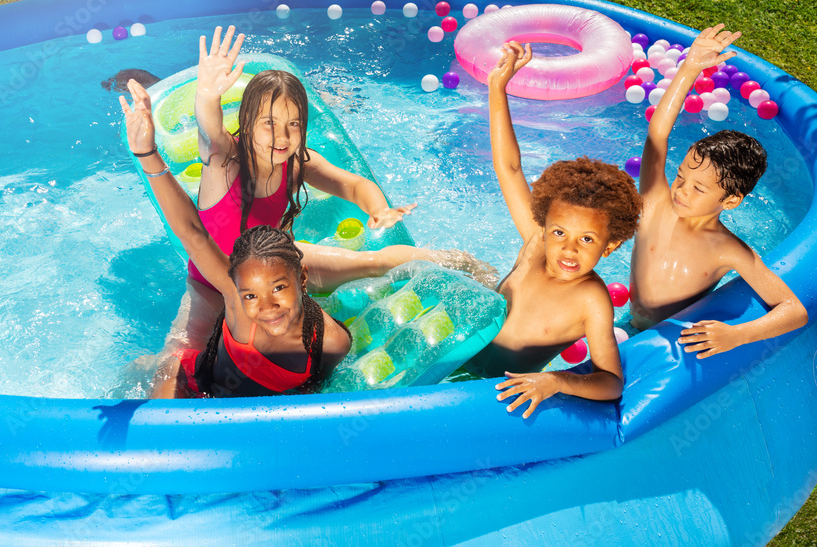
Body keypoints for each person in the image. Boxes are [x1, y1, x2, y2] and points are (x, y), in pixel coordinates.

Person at [147, 26, 495, 397]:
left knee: (372, 263)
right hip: (211, 284)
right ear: (246, 123)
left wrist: (379, 210)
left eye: (293, 125)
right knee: (175, 359)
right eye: (269, 124)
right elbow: (210, 133)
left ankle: (461, 262)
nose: (282, 137)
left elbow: (353, 184)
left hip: (277, 269)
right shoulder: (227, 162)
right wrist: (206, 95)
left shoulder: (296, 163)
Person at [120, 80, 352, 397]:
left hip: (240, 403)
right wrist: (146, 153)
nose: (267, 308)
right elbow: (192, 232)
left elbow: (317, 393)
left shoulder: (332, 343)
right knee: (162, 409)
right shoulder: (237, 305)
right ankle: (145, 364)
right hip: (200, 382)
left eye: (279, 288)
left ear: (303, 276)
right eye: (249, 296)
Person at [463, 41, 642, 419]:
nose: (568, 249)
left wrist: (557, 381)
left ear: (611, 245)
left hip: (488, 395)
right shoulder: (536, 243)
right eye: (559, 233)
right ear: (545, 225)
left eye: (587, 240)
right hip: (452, 352)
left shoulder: (591, 299)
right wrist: (498, 88)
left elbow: (610, 381)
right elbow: (508, 168)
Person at [629, 23, 807, 357]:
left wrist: (737, 335)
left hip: (662, 347)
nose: (680, 189)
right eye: (680, 176)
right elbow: (658, 132)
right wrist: (690, 67)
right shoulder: (656, 203)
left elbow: (793, 310)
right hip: (628, 326)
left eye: (698, 188)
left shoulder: (727, 250)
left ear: (731, 201)